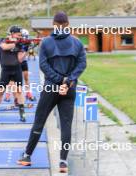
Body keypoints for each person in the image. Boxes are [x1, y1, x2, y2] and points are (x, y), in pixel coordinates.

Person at [17, 11, 87, 173]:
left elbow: (43, 65)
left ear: (53, 24)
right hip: (69, 88)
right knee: (66, 125)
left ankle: (27, 155)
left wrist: (59, 80)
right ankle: (63, 162)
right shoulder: (76, 43)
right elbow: (82, 64)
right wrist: (68, 80)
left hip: (51, 87)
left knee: (39, 121)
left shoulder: (47, 42)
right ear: (68, 25)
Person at [0, 25, 26, 122]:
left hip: (17, 69)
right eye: (18, 34)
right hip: (6, 70)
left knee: (19, 91)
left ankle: (22, 113)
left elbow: (20, 59)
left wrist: (26, 49)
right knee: (1, 92)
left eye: (20, 35)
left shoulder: (19, 44)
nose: (20, 36)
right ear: (12, 33)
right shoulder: (2, 40)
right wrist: (16, 43)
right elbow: (4, 47)